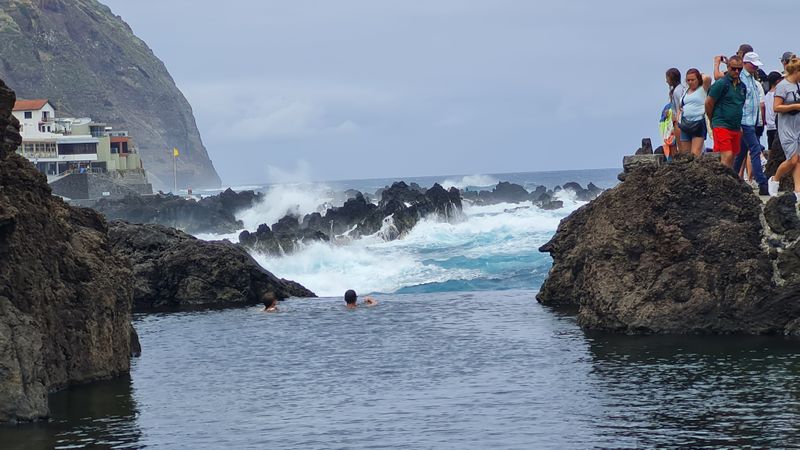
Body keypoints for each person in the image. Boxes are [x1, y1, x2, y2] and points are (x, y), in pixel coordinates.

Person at [732, 52, 768, 195]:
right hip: (745, 121)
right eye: (752, 65)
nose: (755, 67)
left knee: (741, 153)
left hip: (751, 121)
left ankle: (732, 178)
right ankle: (762, 183)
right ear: (745, 64)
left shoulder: (752, 79)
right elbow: (740, 102)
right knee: (755, 149)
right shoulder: (742, 79)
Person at [706, 55, 746, 168]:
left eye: (739, 69)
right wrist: (712, 120)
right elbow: (708, 103)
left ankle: (727, 181)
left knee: (733, 156)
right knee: (727, 155)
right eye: (734, 68)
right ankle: (723, 183)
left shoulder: (742, 86)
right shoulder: (721, 83)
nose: (737, 71)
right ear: (728, 67)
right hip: (721, 124)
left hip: (735, 126)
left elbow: (740, 105)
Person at [768, 58, 800, 198]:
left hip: (797, 125)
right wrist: (794, 106)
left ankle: (798, 189)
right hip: (786, 127)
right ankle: (775, 179)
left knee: (798, 159)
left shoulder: (798, 86)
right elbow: (776, 107)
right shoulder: (783, 86)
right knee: (792, 159)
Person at [678, 68, 712, 157]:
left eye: (693, 80)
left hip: (698, 123)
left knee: (695, 154)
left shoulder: (703, 89)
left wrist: (701, 75)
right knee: (685, 155)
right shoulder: (685, 91)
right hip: (685, 123)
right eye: (688, 80)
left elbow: (707, 78)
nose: (690, 82)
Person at [764, 71, 784, 150]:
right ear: (778, 81)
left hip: (769, 127)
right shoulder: (779, 94)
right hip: (778, 127)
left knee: (771, 151)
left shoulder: (766, 95)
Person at [666, 68, 684, 149]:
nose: (666, 81)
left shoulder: (678, 91)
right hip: (676, 121)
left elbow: (679, 107)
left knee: (681, 146)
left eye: (667, 78)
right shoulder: (677, 89)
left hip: (678, 121)